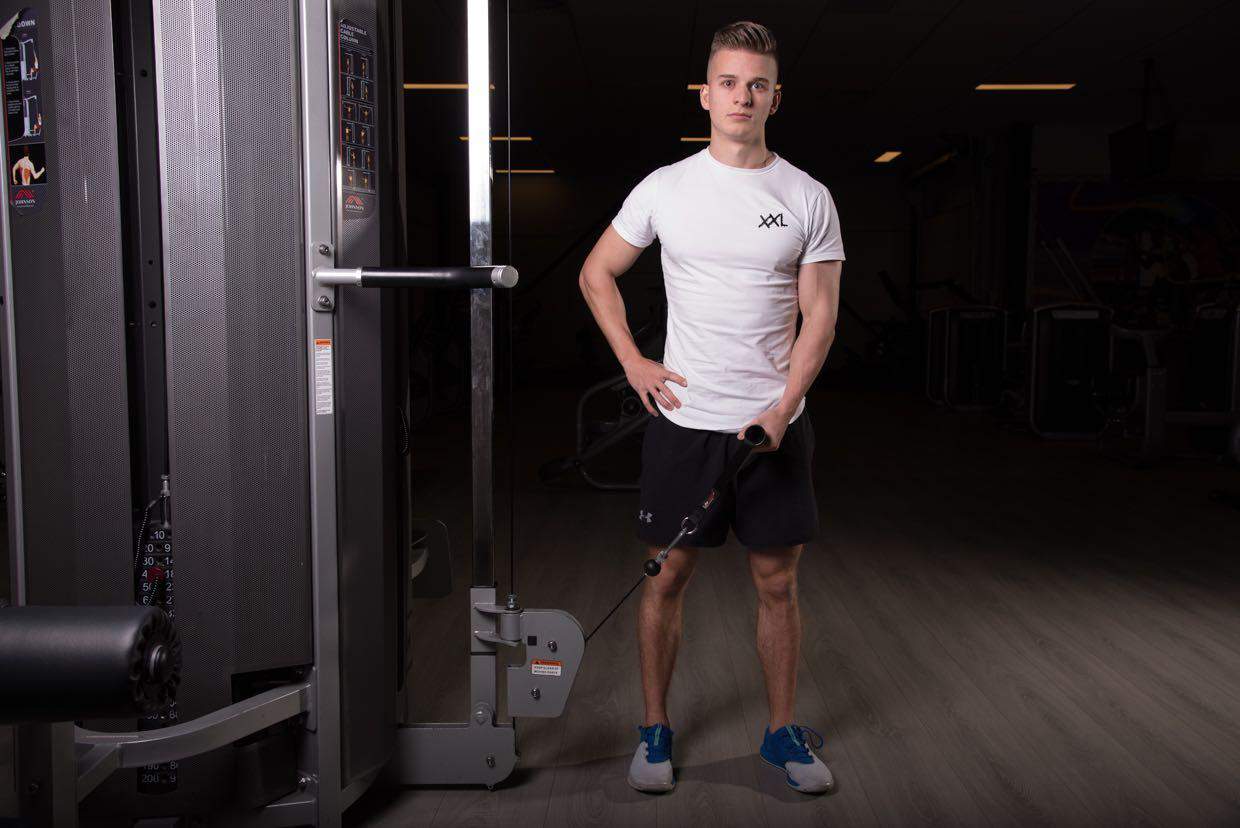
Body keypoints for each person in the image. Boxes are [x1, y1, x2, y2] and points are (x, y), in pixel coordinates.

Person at [578, 20, 844, 795]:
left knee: (777, 583)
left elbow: (821, 316)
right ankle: (655, 731)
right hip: (685, 424)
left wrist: (784, 407)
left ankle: (781, 734)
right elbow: (597, 274)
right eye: (728, 82)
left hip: (772, 427)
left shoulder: (806, 196)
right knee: (665, 579)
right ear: (705, 94)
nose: (741, 96)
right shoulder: (666, 187)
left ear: (775, 99)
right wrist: (633, 363)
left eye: (757, 84)